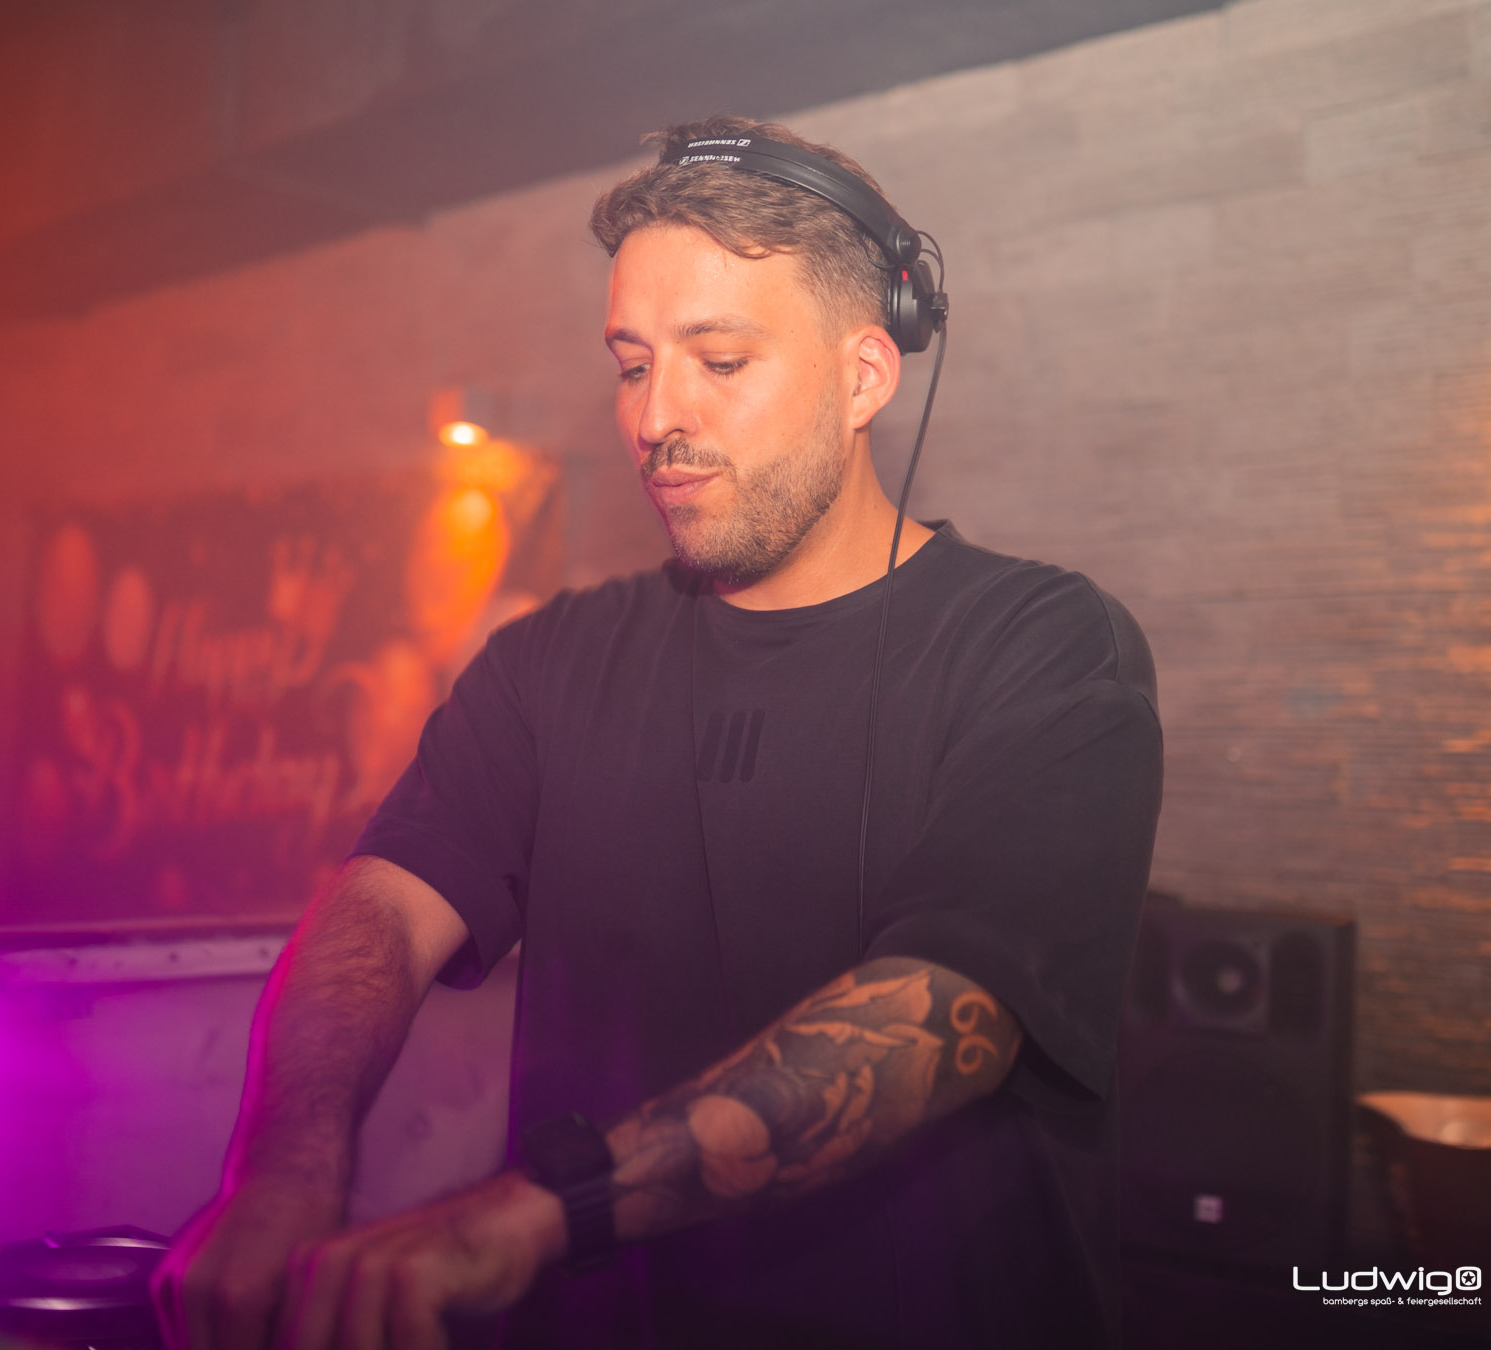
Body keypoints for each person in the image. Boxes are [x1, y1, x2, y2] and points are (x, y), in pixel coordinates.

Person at [153, 115, 1164, 1350]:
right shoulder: (548, 664)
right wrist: (284, 1171)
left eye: (718, 360)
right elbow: (380, 912)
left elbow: (935, 1017)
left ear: (865, 377)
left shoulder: (1044, 648)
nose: (654, 416)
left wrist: (538, 1212)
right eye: (633, 366)